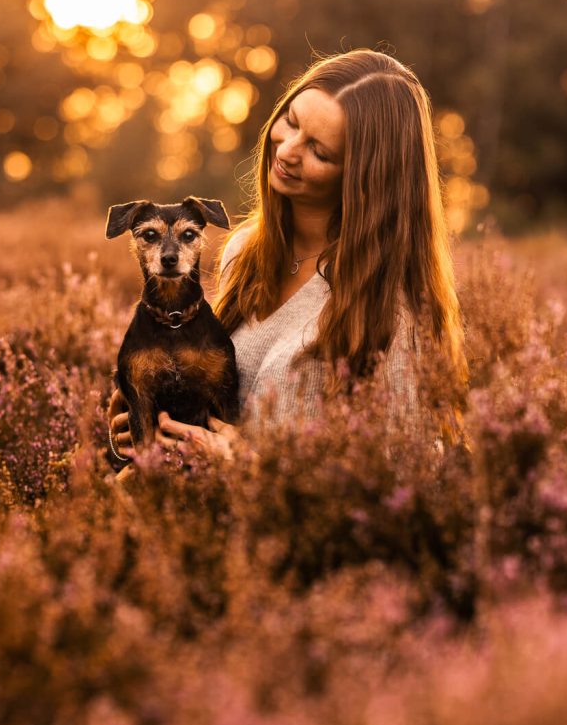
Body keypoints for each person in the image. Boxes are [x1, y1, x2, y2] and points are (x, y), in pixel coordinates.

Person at [108, 47, 467, 465]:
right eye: (291, 121)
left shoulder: (390, 311)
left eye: (319, 151)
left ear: (365, 180)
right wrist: (141, 429)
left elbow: (405, 479)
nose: (287, 150)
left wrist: (247, 468)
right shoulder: (245, 252)